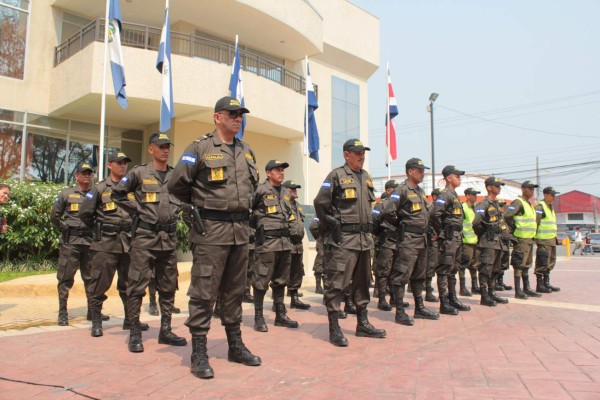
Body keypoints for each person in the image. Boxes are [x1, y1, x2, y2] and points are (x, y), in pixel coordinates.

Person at [168, 96, 261, 379]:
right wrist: (198, 207)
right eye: (232, 113)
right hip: (211, 231)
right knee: (204, 292)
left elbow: (251, 190)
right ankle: (199, 351)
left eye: (240, 114)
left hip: (240, 232)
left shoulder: (246, 151)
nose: (238, 117)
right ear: (217, 117)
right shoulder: (200, 147)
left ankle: (235, 345)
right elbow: (176, 185)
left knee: (235, 291)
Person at [112, 131, 187, 353]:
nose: (165, 150)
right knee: (136, 285)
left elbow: (186, 197)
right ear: (151, 149)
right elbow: (118, 194)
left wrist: (178, 211)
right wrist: (138, 210)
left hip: (168, 239)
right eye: (161, 146)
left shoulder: (175, 176)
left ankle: (166, 330)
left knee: (168, 285)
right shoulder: (139, 173)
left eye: (167, 146)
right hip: (145, 237)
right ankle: (134, 332)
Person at [314, 138, 386, 347]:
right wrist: (330, 225)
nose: (361, 156)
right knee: (337, 284)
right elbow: (320, 203)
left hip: (365, 240)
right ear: (346, 155)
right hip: (344, 240)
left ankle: (362, 323)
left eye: (363, 152)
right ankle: (334, 328)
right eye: (357, 153)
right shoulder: (336, 175)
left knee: (363, 284)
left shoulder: (366, 177)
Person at [80, 150, 150, 337]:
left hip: (129, 243)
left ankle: (130, 319)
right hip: (105, 244)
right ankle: (96, 321)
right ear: (109, 164)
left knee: (130, 284)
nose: (123, 166)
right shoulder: (99, 188)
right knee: (100, 283)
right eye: (118, 163)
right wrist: (99, 230)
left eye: (125, 163)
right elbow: (85, 214)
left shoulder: (133, 189)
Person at [382, 157, 440, 326]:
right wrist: (401, 226)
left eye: (423, 171)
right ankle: (400, 312)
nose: (422, 174)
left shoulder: (420, 192)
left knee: (419, 276)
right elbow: (387, 211)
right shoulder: (401, 190)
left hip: (422, 240)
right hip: (408, 240)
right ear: (410, 171)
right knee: (402, 275)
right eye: (420, 171)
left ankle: (419, 307)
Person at [51, 162, 105, 326]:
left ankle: (92, 312)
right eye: (84, 173)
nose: (87, 176)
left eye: (89, 173)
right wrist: (63, 227)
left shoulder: (97, 194)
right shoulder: (66, 194)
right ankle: (62, 313)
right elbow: (54, 216)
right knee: (66, 278)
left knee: (91, 278)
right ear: (77, 176)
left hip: (89, 242)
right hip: (71, 243)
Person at [251, 160, 299, 332]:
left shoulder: (286, 192)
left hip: (285, 244)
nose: (281, 172)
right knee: (261, 280)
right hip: (267, 244)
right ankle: (259, 316)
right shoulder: (260, 189)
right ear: (268, 173)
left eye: (282, 170)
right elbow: (247, 211)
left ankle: (280, 315)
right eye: (277, 170)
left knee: (281, 281)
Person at [430, 165, 471, 316]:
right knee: (445, 269)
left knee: (454, 268)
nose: (459, 179)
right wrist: (442, 230)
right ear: (449, 178)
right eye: (457, 176)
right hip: (448, 238)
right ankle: (444, 302)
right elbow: (434, 214)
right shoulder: (445, 194)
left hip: (456, 237)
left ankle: (453, 298)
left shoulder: (454, 195)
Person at [472, 177, 509, 306]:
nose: (499, 188)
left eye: (499, 186)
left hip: (497, 242)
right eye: (496, 186)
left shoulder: (496, 204)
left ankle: (492, 293)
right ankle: (484, 296)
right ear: (489, 187)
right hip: (488, 241)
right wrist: (483, 234)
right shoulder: (484, 204)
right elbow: (476, 222)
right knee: (485, 269)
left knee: (495, 269)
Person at [504, 180, 541, 299]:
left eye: (532, 189)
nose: (531, 191)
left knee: (527, 264)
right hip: (521, 238)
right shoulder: (518, 202)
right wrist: (515, 227)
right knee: (519, 264)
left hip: (529, 239)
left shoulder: (529, 204)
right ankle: (518, 290)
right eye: (529, 188)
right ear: (523, 189)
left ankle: (526, 288)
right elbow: (507, 215)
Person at [372, 179, 401, 311]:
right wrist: (380, 235)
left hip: (399, 242)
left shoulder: (400, 204)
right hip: (386, 242)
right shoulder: (381, 205)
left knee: (396, 271)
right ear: (388, 190)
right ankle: (382, 299)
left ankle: (394, 299)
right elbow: (373, 222)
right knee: (384, 271)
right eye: (394, 189)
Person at [282, 180, 310, 310]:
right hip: (286, 243)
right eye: (292, 188)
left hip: (298, 245)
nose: (295, 191)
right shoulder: (283, 204)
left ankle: (294, 299)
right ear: (285, 190)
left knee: (296, 273)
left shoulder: (298, 206)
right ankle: (279, 303)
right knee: (283, 273)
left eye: (296, 188)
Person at [534, 187, 562, 292]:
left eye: (554, 195)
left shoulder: (550, 207)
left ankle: (546, 283)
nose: (553, 197)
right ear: (545, 194)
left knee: (550, 261)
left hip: (551, 239)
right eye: (551, 195)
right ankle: (539, 284)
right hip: (543, 239)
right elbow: (535, 222)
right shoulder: (540, 207)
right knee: (542, 261)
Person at [459, 187, 480, 296]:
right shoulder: (463, 207)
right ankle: (462, 288)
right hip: (466, 241)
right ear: (467, 196)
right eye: (473, 194)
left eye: (476, 194)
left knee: (475, 265)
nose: (475, 197)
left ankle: (474, 286)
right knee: (463, 265)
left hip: (475, 240)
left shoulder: (475, 208)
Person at [425, 188, 442, 303]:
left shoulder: (441, 208)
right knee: (431, 265)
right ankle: (428, 291)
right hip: (434, 240)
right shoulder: (432, 208)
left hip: (442, 240)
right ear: (435, 197)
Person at [496, 199, 513, 291]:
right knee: (497, 264)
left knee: (503, 265)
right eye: (500, 205)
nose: (502, 208)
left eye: (503, 206)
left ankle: (500, 282)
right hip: (499, 243)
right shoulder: (494, 217)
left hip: (505, 243)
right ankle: (494, 283)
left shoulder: (503, 217)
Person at [309, 216, 325, 294]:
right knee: (320, 263)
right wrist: (319, 237)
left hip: (332, 241)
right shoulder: (319, 214)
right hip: (322, 242)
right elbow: (312, 226)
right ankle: (318, 286)